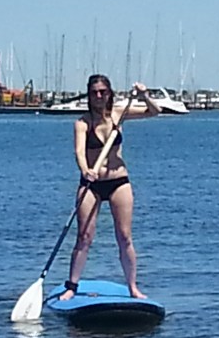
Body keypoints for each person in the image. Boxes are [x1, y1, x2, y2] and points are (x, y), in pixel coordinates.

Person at [60, 74, 160, 301]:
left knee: (124, 236)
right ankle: (71, 287)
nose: (99, 96)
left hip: (118, 181)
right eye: (94, 92)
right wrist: (85, 169)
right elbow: (79, 152)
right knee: (84, 236)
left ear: (109, 93)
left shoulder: (119, 113)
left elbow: (154, 112)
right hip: (91, 183)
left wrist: (144, 95)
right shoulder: (82, 123)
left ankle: (133, 287)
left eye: (103, 92)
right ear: (89, 95)